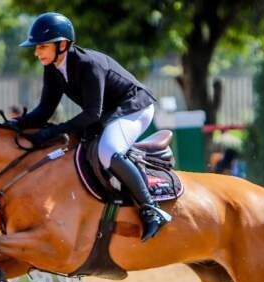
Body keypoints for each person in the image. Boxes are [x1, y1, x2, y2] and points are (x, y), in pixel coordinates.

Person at [13, 12, 169, 241]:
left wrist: (54, 131)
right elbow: (44, 110)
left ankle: (150, 208)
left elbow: (91, 114)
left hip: (134, 107)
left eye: (42, 46)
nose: (37, 53)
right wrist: (14, 125)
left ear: (62, 45)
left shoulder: (88, 65)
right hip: (107, 112)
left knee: (108, 151)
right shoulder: (53, 69)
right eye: (36, 47)